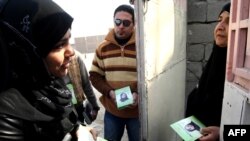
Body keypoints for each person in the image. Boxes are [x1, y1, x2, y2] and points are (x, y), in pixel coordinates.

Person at [0, 0, 97, 140]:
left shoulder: (50, 83)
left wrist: (78, 129)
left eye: (69, 40)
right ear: (29, 52)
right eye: (59, 45)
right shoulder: (7, 114)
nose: (71, 52)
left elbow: (66, 122)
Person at [89, 4, 139, 141]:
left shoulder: (143, 47)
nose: (121, 26)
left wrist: (139, 93)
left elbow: (151, 76)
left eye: (126, 22)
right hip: (112, 112)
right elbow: (94, 76)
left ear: (134, 24)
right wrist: (110, 93)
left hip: (137, 112)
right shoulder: (102, 48)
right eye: (117, 21)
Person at [185, 2, 231, 141]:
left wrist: (223, 133)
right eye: (219, 20)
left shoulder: (244, 73)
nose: (219, 27)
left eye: (229, 22)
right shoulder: (215, 61)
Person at [63, 50, 100, 125]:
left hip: (77, 106)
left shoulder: (76, 56)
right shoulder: (46, 58)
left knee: (79, 132)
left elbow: (86, 83)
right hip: (61, 109)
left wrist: (94, 106)